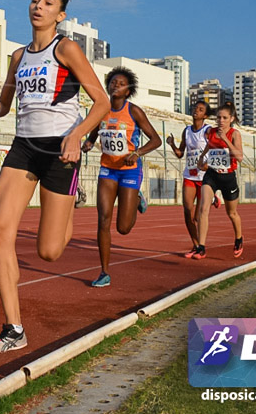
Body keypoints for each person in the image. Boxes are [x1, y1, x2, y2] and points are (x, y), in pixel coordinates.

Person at [0, 0, 109, 353]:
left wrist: (76, 136)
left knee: (49, 251)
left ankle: (70, 200)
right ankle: (13, 329)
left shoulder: (65, 48)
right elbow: (4, 106)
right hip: (23, 148)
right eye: (35, 0)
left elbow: (102, 101)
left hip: (59, 151)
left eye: (48, 3)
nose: (38, 6)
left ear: (60, 15)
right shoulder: (18, 57)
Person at [81, 67, 161, 287]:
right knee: (103, 219)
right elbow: (95, 132)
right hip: (108, 169)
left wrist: (137, 152)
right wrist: (89, 142)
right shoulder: (101, 109)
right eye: (113, 82)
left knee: (123, 228)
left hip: (130, 169)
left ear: (128, 91)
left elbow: (156, 140)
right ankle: (104, 272)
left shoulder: (134, 112)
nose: (115, 85)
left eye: (121, 83)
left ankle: (136, 199)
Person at [193, 102, 245, 259]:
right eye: (218, 118)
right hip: (212, 174)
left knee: (232, 213)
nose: (221, 121)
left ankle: (239, 239)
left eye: (224, 118)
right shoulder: (212, 132)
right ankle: (201, 247)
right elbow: (210, 145)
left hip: (228, 177)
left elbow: (240, 157)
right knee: (203, 209)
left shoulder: (235, 134)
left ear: (231, 118)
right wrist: (202, 157)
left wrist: (226, 140)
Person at [165, 100, 212, 259]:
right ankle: (196, 245)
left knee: (198, 217)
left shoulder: (207, 131)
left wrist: (208, 164)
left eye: (200, 110)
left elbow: (216, 148)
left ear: (205, 115)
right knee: (187, 210)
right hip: (190, 175)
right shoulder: (186, 131)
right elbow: (180, 154)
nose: (195, 111)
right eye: (195, 108)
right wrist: (172, 145)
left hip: (204, 177)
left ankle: (200, 244)